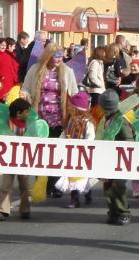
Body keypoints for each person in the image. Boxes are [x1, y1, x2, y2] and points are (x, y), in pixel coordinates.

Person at [21, 42, 79, 197]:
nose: (58, 59)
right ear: (48, 56)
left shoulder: (67, 71)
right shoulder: (35, 70)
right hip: (39, 118)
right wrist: (24, 94)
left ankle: (53, 184)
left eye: (60, 56)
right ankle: (41, 184)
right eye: (55, 56)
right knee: (40, 153)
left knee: (57, 153)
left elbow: (74, 93)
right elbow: (25, 88)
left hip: (59, 119)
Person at [0, 99, 34, 221]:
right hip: (9, 159)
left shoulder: (29, 124)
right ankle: (2, 210)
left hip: (24, 159)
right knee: (6, 185)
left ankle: (25, 209)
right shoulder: (7, 123)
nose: (29, 114)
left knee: (24, 185)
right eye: (27, 112)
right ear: (19, 113)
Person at [96, 89, 133, 225]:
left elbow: (128, 140)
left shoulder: (121, 120)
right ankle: (113, 211)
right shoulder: (106, 118)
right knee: (108, 187)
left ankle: (123, 212)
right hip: (106, 159)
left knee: (119, 186)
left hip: (119, 159)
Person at [55, 92, 96, 208]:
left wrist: (82, 146)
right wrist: (61, 142)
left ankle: (83, 194)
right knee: (72, 176)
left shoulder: (87, 123)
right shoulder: (70, 121)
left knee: (81, 177)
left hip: (82, 153)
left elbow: (90, 137)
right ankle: (75, 198)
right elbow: (64, 133)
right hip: (71, 153)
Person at [0, 37, 19, 102]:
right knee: (1, 101)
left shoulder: (6, 55)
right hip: (1, 82)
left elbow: (11, 68)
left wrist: (15, 79)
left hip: (9, 83)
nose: (3, 47)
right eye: (2, 45)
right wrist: (1, 75)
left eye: (4, 45)